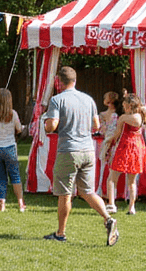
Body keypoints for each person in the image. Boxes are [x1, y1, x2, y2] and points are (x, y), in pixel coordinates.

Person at [43, 66, 118, 245]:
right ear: (75, 81)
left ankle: (60, 233)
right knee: (87, 191)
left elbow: (51, 126)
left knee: (65, 194)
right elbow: (96, 125)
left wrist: (46, 121)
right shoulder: (88, 99)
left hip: (69, 150)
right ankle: (108, 218)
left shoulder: (57, 100)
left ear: (59, 82)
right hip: (88, 150)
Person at [105, 93, 146, 215]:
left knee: (112, 177)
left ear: (129, 106)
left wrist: (109, 141)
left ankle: (111, 204)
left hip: (125, 147)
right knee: (132, 181)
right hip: (138, 147)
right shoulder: (141, 117)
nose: (123, 107)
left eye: (125, 105)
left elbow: (117, 133)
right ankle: (131, 207)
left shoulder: (124, 118)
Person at [98, 91, 119, 161]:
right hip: (116, 141)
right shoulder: (119, 114)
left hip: (108, 140)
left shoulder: (102, 115)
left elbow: (101, 130)